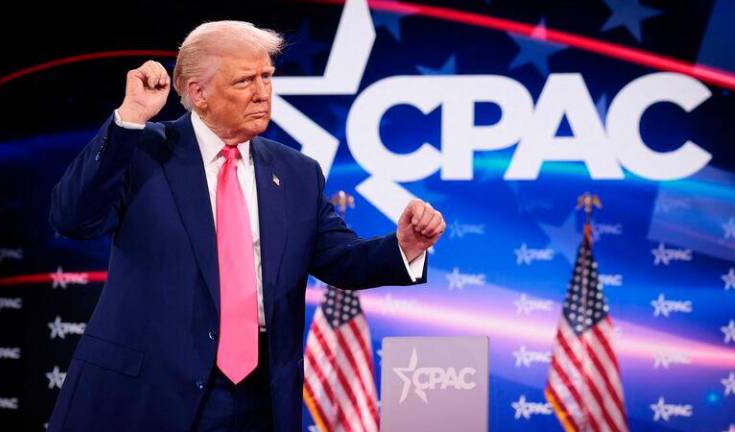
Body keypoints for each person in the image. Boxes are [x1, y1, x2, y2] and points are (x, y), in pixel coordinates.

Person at [46, 20, 444, 432]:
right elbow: (73, 219)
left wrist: (404, 245)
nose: (262, 92)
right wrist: (129, 119)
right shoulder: (144, 151)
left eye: (267, 77)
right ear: (199, 93)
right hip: (149, 393)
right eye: (244, 81)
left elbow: (340, 258)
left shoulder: (296, 172)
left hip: (260, 398)